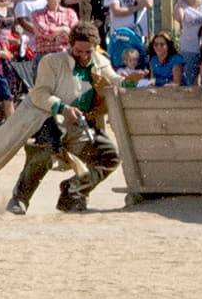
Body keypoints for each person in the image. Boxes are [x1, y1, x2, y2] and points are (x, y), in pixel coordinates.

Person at [6, 31, 121, 215]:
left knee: (109, 156)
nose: (83, 56)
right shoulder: (52, 62)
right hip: (49, 119)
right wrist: (62, 108)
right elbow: (39, 93)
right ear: (70, 45)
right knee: (42, 153)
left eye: (88, 52)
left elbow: (115, 80)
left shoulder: (101, 62)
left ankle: (73, 192)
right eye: (78, 51)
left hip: (83, 126)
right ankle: (20, 198)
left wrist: (131, 82)